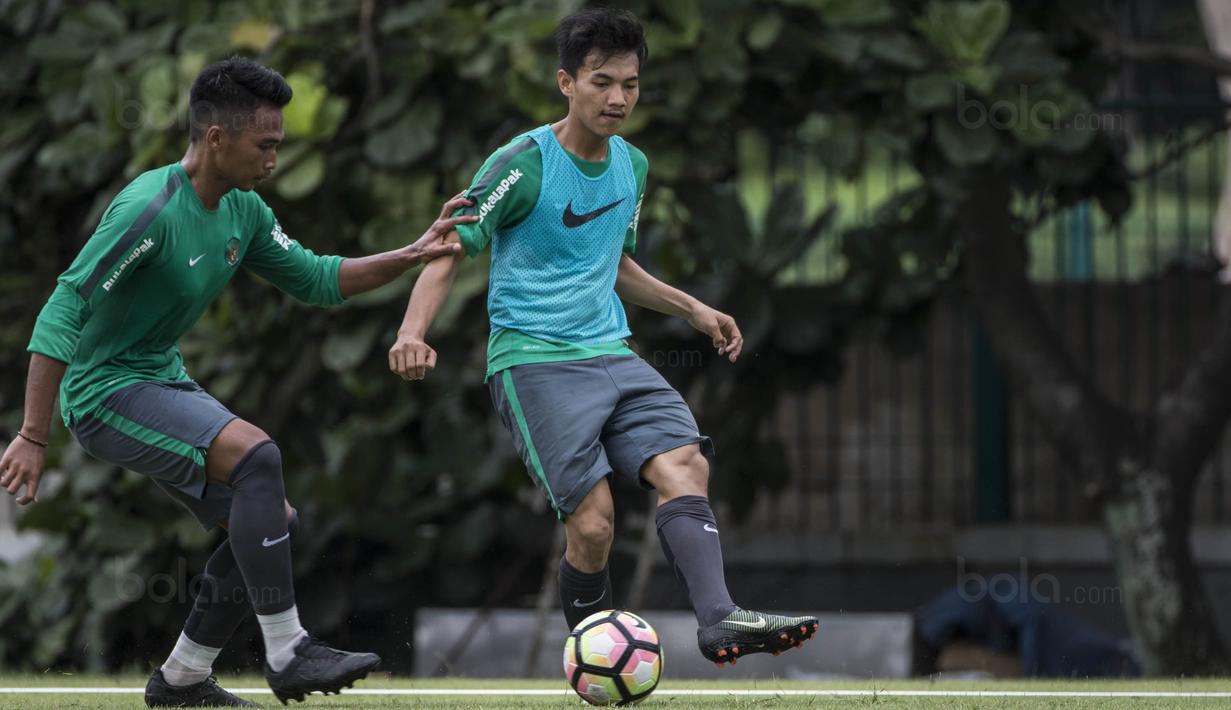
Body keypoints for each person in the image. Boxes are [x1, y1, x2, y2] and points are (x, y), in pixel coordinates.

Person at [0, 57, 473, 706]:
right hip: (102, 395)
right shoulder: (149, 208)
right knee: (259, 457)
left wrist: (411, 253)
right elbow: (64, 307)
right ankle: (288, 651)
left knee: (266, 517)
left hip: (160, 379)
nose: (275, 158)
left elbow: (316, 279)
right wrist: (32, 434)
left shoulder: (243, 212)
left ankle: (184, 679)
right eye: (267, 144)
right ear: (216, 139)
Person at [388, 8, 818, 666]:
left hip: (613, 355)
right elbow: (448, 246)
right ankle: (592, 662)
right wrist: (412, 330)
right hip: (533, 362)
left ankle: (719, 620)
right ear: (566, 82)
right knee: (592, 525)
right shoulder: (522, 162)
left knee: (685, 464)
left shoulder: (632, 166)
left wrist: (693, 309)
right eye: (601, 82)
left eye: (630, 83)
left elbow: (612, 263)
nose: (618, 98)